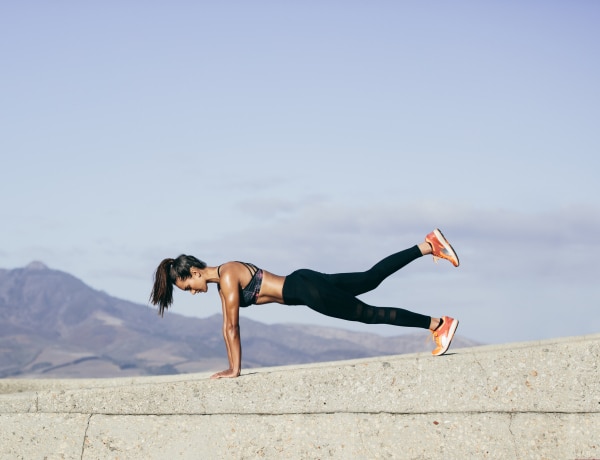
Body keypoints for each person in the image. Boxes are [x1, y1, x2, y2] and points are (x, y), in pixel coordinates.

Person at [150, 228, 460, 379]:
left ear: (193, 272)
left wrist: (234, 369)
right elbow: (226, 326)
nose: (191, 292)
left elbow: (231, 327)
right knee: (369, 279)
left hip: (306, 291)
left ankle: (438, 324)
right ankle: (428, 245)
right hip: (304, 282)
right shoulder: (224, 283)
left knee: (369, 314)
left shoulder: (228, 276)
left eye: (187, 286)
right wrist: (233, 366)